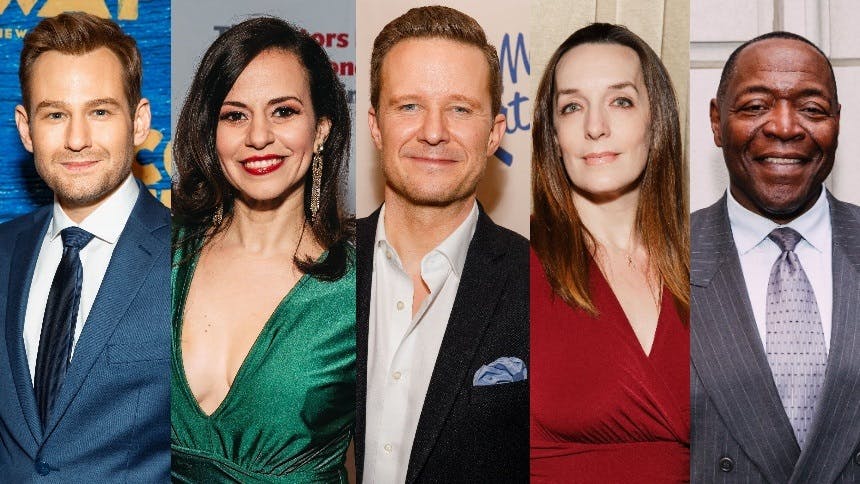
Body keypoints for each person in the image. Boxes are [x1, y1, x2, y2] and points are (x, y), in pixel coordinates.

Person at [169, 17, 355, 482]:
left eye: (284, 111)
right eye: (235, 115)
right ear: (211, 132)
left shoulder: (362, 288)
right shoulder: (162, 257)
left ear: (321, 130)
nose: (258, 137)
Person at [355, 6, 529, 483]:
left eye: (460, 109)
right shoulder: (317, 264)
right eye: (409, 106)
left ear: (494, 133)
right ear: (376, 125)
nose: (434, 132)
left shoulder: (540, 282)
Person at [0, 12, 170, 481]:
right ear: (26, 128)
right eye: (55, 114)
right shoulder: (4, 252)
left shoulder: (193, 257)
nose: (77, 140)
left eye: (100, 112)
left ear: (139, 123)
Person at [691, 31, 860, 482]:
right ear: (716, 121)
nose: (784, 127)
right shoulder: (661, 257)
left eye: (812, 109)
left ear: (837, 121)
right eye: (755, 106)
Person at [530, 23, 690, 483]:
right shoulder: (513, 265)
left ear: (655, 121)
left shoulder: (704, 263)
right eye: (572, 106)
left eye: (620, 101)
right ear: (553, 135)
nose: (595, 127)